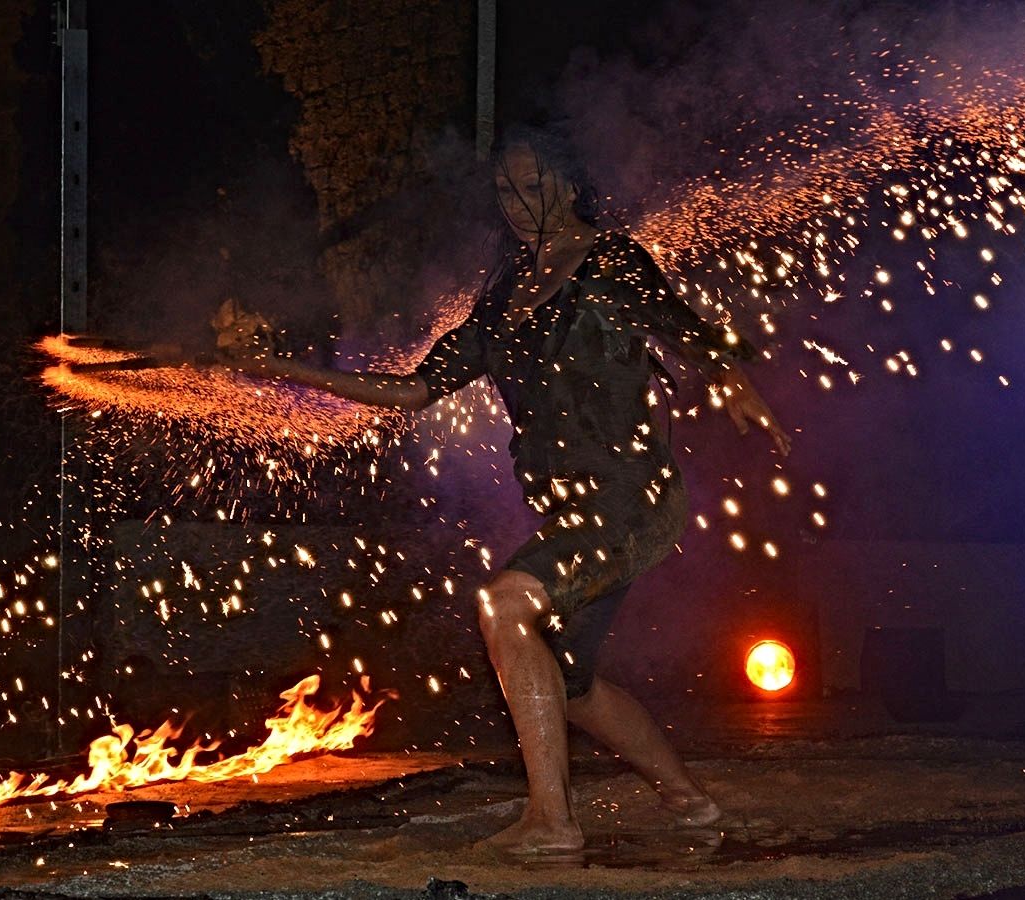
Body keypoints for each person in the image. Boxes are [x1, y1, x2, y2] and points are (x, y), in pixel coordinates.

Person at [215, 125, 790, 854]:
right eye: (503, 189)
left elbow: (685, 329)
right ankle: (692, 805)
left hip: (630, 499)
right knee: (572, 684)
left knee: (503, 603)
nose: (518, 202)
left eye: (533, 184)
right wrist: (285, 371)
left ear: (570, 184)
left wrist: (731, 378)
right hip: (572, 512)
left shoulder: (608, 260)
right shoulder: (504, 295)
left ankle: (552, 822)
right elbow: (415, 390)